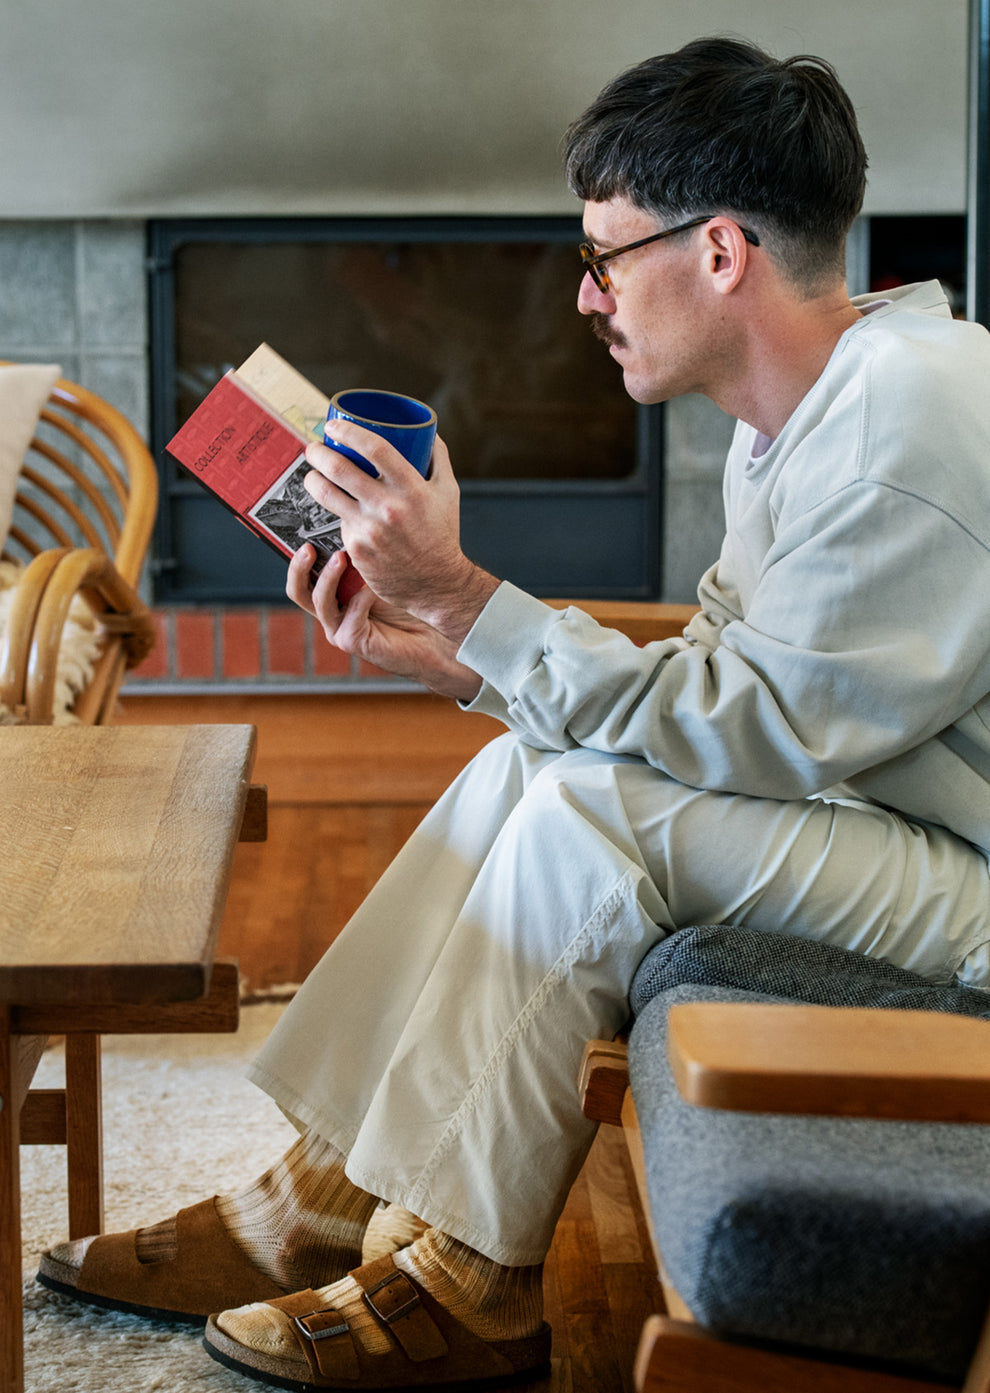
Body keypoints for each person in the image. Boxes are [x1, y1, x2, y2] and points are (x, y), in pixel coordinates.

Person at [39, 34, 990, 1391]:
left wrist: (468, 590)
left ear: (716, 251)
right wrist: (451, 650)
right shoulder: (809, 409)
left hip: (970, 897)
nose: (587, 297)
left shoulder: (905, 413)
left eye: (604, 256)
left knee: (597, 806)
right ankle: (316, 1199)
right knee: (521, 774)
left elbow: (759, 731)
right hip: (867, 814)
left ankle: (471, 1281)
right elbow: (729, 682)